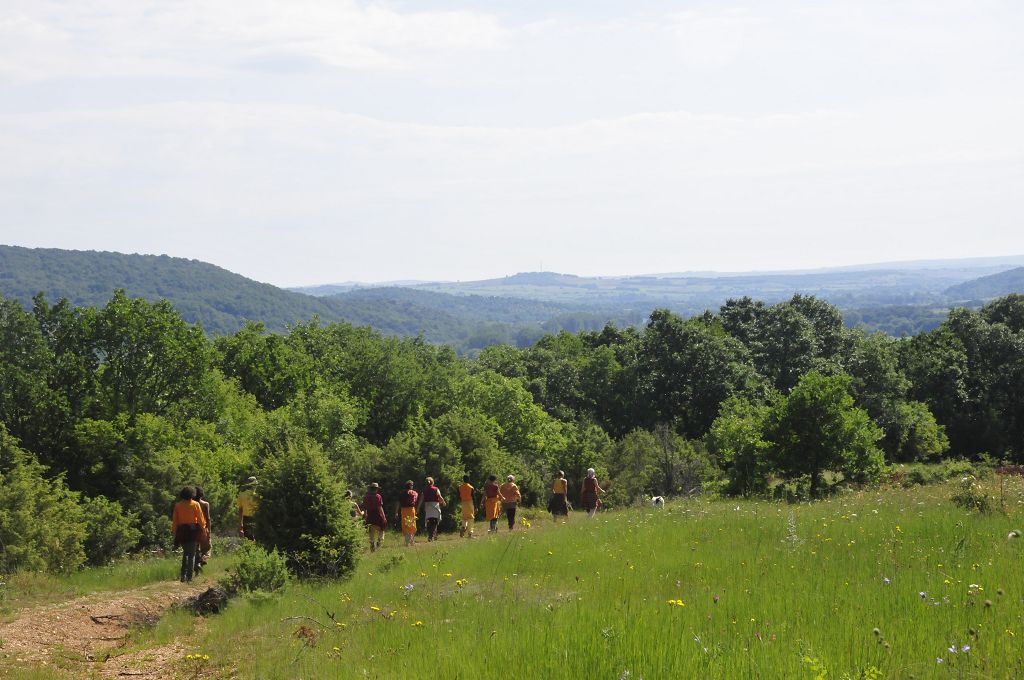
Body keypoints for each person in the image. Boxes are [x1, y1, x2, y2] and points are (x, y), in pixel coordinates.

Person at [171, 486, 206, 583]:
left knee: (185, 553)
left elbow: (175, 520)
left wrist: (174, 532)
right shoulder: (195, 504)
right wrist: (203, 528)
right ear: (192, 494)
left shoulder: (178, 505)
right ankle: (189, 578)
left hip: (182, 531)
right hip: (192, 531)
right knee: (191, 555)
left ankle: (183, 575)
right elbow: (200, 518)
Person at [419, 477, 446, 542]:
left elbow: (421, 500)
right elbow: (439, 497)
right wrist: (443, 502)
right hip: (435, 506)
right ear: (432, 482)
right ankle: (431, 536)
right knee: (435, 522)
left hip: (428, 507)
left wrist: (418, 508)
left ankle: (433, 535)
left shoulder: (424, 490)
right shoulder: (436, 489)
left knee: (430, 521)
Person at [362, 483, 387, 552]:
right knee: (381, 530)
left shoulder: (365, 497)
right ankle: (379, 542)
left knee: (371, 531)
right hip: (377, 515)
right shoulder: (378, 496)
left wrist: (365, 515)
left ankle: (372, 544)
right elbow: (380, 507)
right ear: (376, 489)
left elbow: (364, 507)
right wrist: (384, 517)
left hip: (370, 515)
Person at [193, 486, 212, 571]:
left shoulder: (191, 504)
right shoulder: (205, 504)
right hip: (203, 528)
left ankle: (197, 564)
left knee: (196, 548)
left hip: (193, 529)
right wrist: (209, 530)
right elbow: (208, 518)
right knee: (207, 548)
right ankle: (202, 561)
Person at [399, 480, 418, 546]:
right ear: (411, 486)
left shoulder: (401, 493)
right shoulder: (414, 493)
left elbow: (398, 502)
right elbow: (415, 499)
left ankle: (408, 541)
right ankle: (410, 541)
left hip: (403, 509)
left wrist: (396, 511)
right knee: (412, 525)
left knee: (405, 525)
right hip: (411, 509)